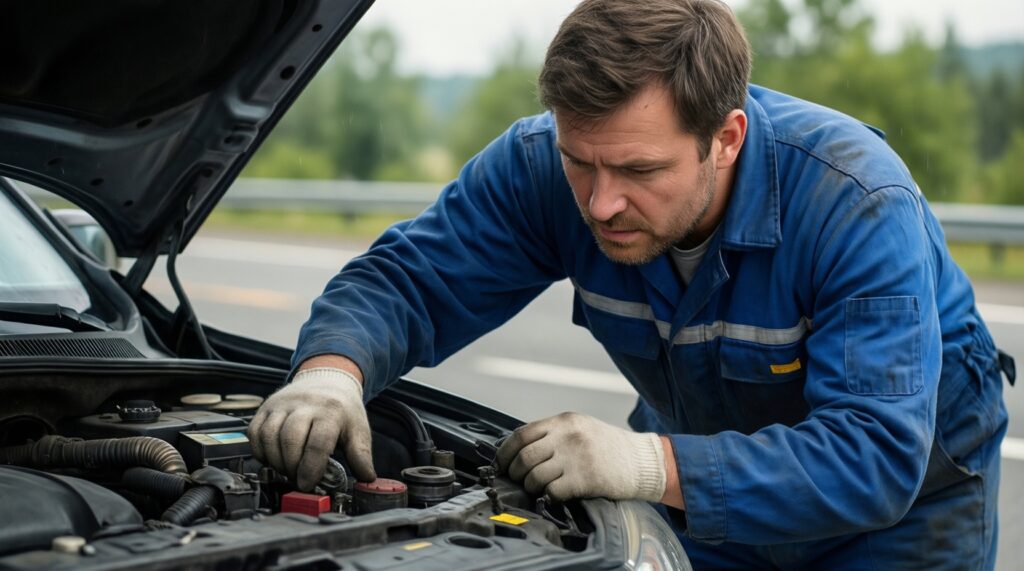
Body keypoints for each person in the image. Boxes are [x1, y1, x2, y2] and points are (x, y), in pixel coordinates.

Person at [248, 0, 1014, 568]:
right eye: (581, 161)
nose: (601, 201)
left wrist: (651, 465)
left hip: (904, 512)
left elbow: (873, 455)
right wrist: (332, 371)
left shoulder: (852, 201)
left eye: (640, 170)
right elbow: (410, 279)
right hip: (711, 484)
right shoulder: (544, 167)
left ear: (726, 138)